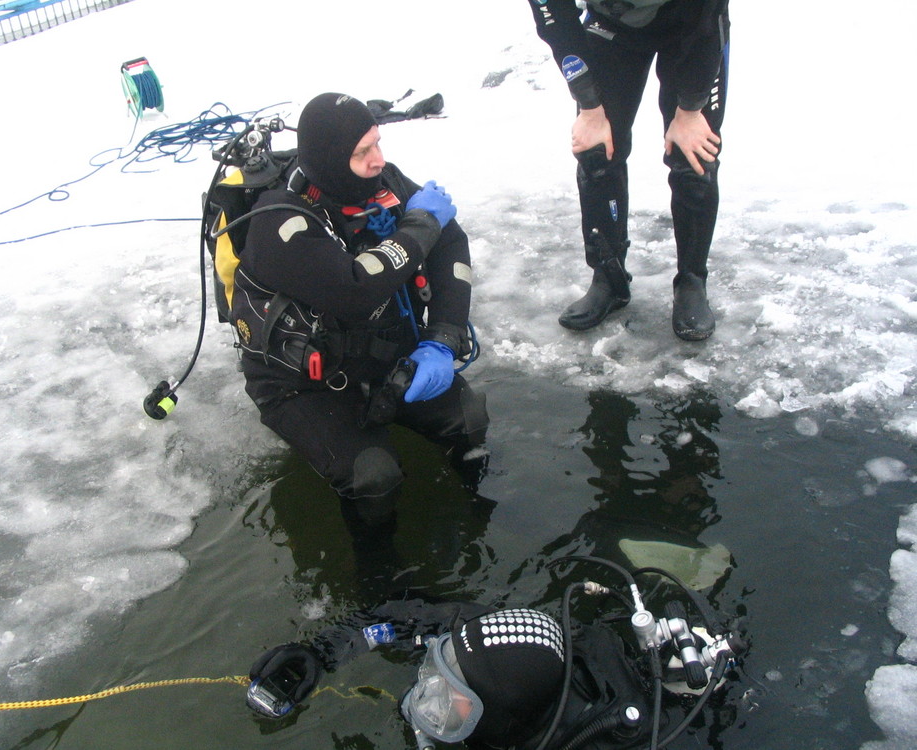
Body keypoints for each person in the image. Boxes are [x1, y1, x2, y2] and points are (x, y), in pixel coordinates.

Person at [229, 92, 489, 542]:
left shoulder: (383, 185)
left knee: (468, 419)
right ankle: (378, 583)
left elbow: (451, 244)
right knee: (374, 476)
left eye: (378, 144)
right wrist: (421, 225)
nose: (378, 160)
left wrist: (442, 339)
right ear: (330, 160)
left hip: (388, 355)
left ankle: (479, 512)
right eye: (362, 152)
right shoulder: (280, 223)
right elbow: (353, 289)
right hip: (303, 385)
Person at [245, 568, 746, 748]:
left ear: (504, 719)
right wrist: (321, 653)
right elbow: (404, 618)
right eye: (437, 676)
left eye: (454, 699)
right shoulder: (494, 641)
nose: (429, 699)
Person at [527, 0, 730, 341]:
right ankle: (609, 277)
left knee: (694, 154)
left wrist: (691, 109)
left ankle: (692, 280)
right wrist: (589, 104)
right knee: (597, 151)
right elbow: (555, 20)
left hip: (692, 24)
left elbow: (708, 19)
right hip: (614, 23)